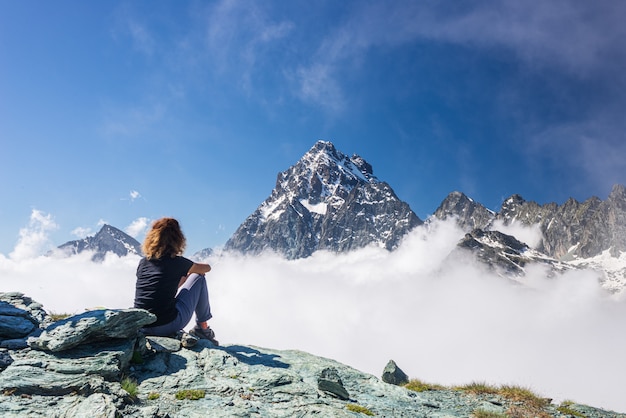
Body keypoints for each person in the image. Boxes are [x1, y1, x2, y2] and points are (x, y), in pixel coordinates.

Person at [133, 217, 218, 345]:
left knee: (190, 276)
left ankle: (202, 328)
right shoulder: (177, 262)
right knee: (198, 277)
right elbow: (206, 268)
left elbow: (159, 286)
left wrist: (183, 276)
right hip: (166, 324)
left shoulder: (143, 262)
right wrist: (189, 272)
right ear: (177, 239)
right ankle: (203, 328)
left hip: (142, 326)